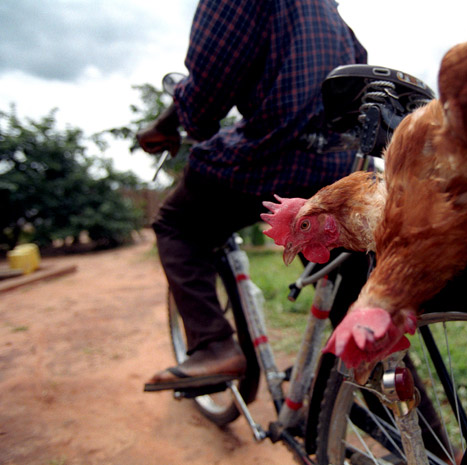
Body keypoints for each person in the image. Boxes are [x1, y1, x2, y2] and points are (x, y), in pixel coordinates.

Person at [137, 0, 367, 389]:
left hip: (275, 156)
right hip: (340, 168)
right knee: (360, 320)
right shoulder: (331, 14)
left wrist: (166, 122)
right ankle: (430, 442)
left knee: (177, 225)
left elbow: (205, 98)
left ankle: (213, 346)